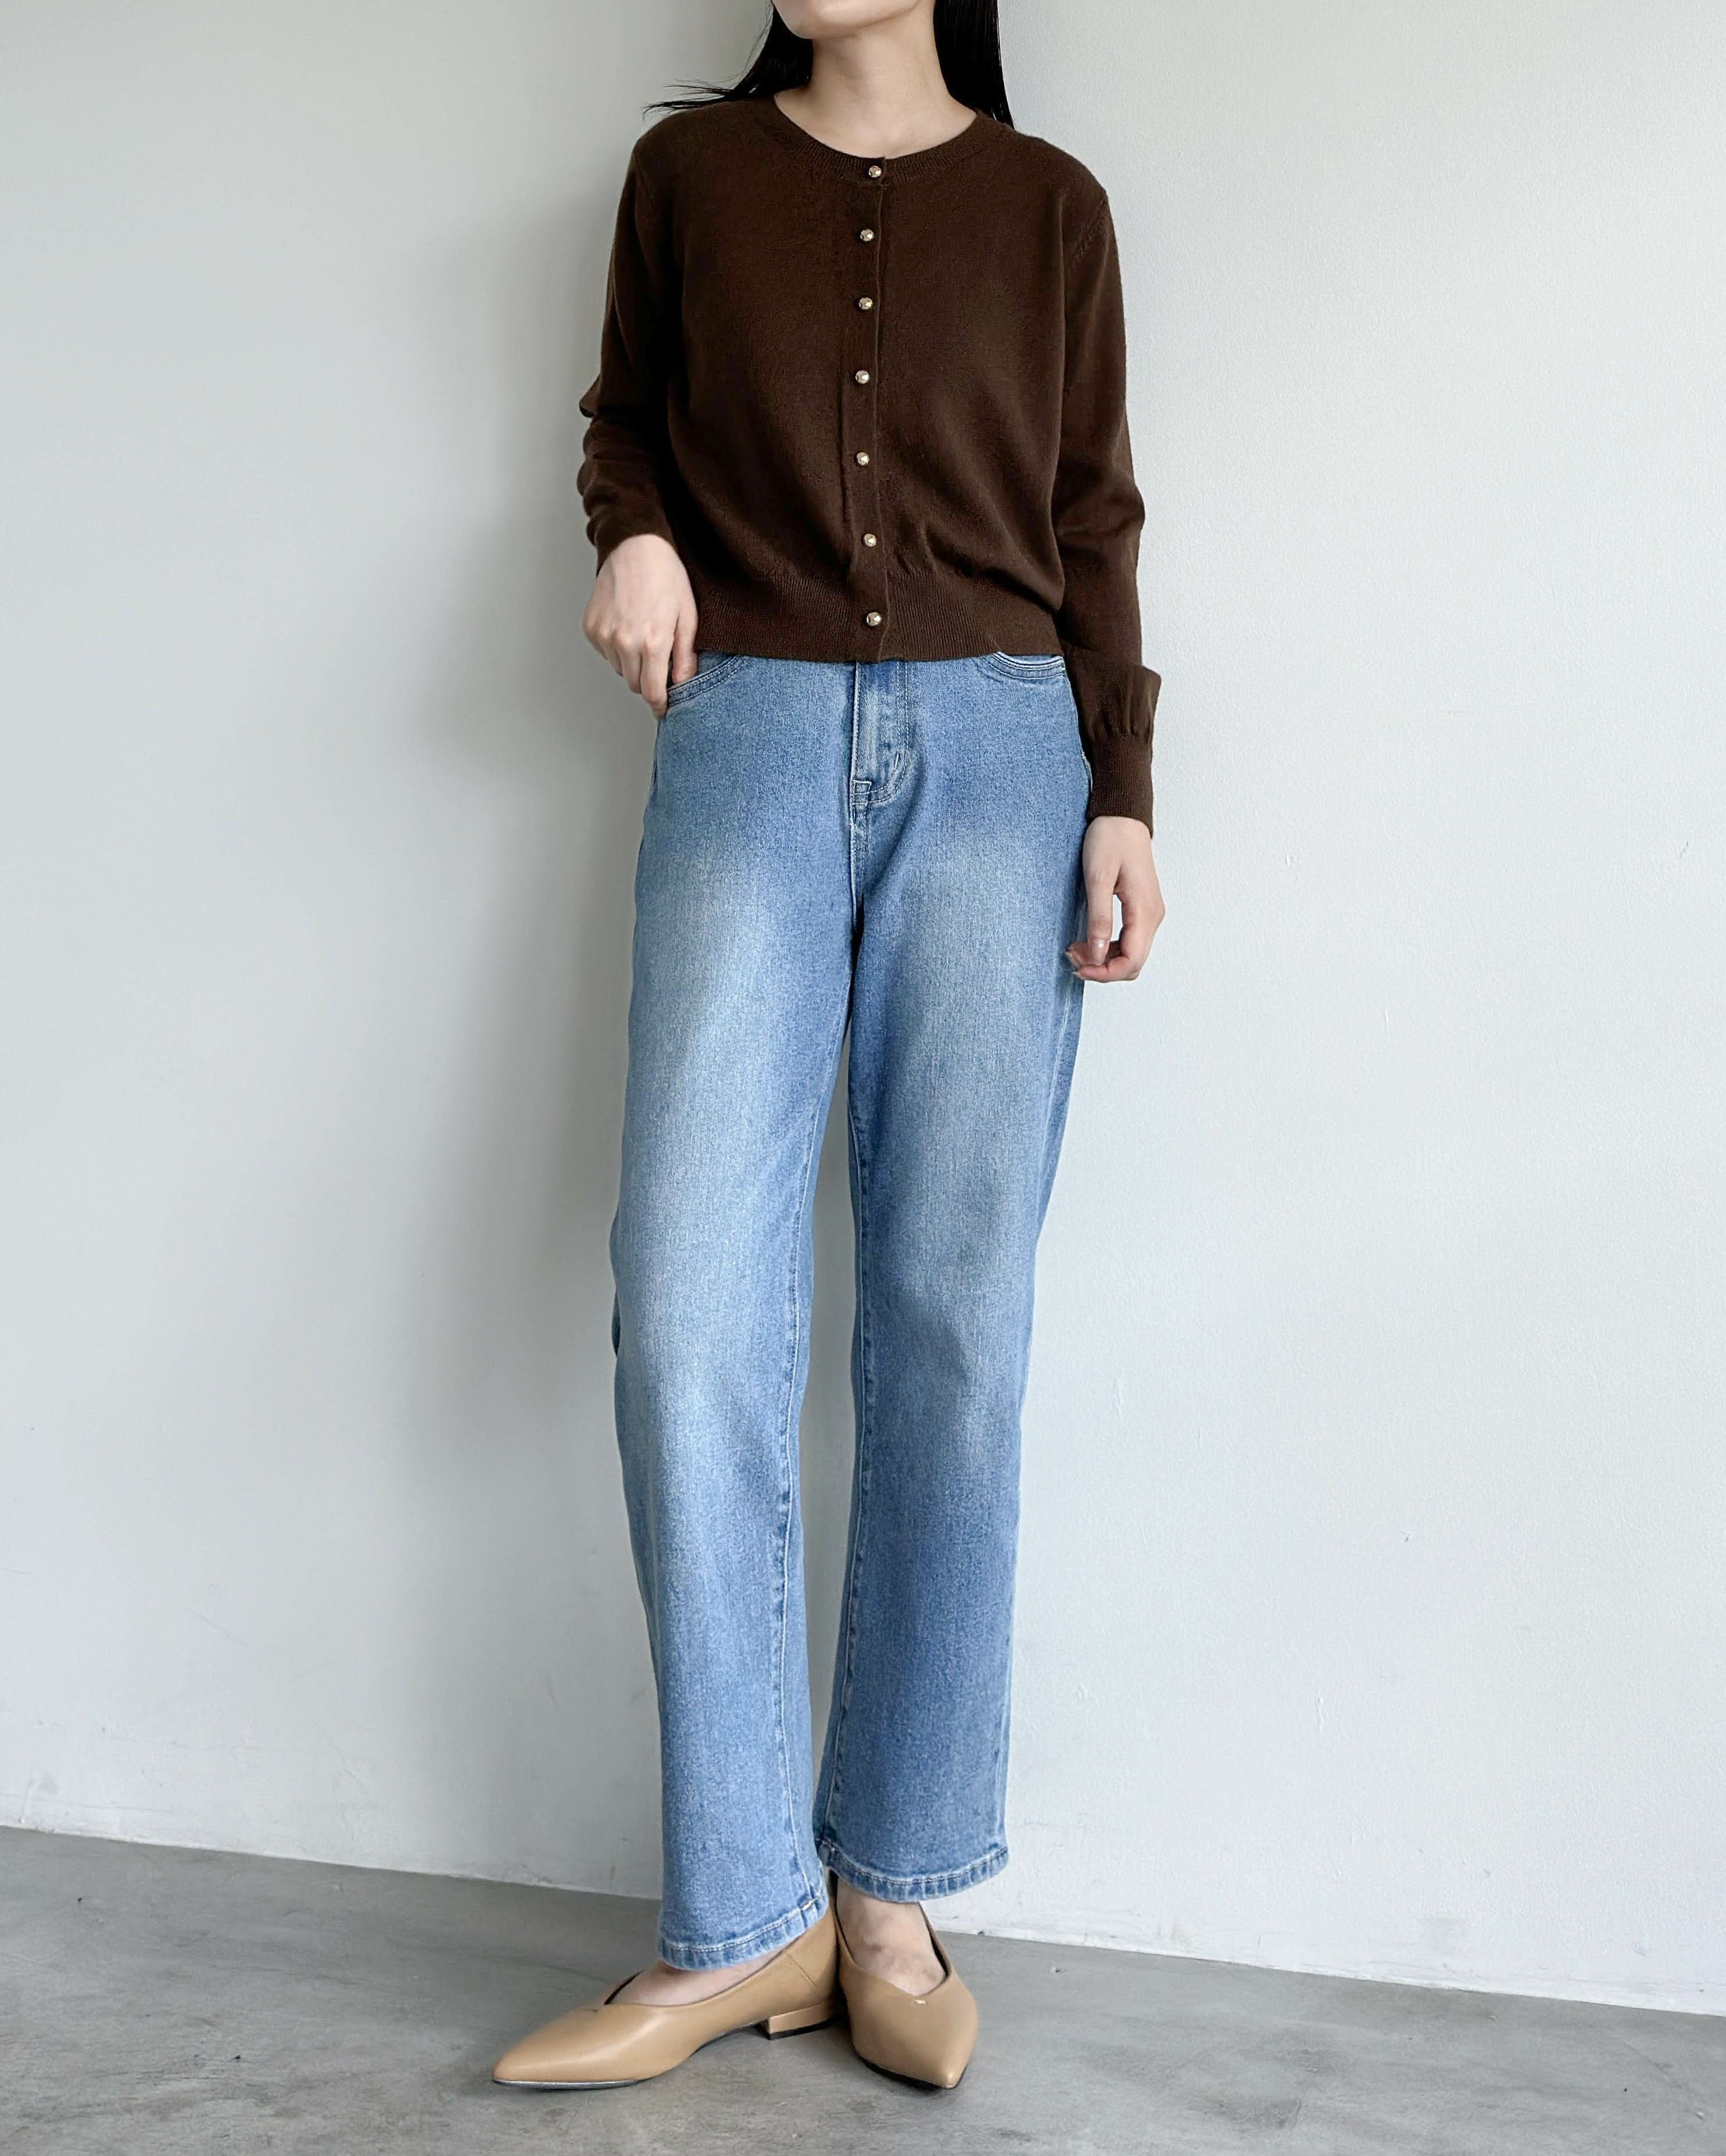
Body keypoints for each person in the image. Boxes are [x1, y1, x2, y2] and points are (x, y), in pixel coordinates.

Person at [493, 0, 1163, 2095]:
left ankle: (891, 1891)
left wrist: (1123, 791)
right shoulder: (690, 177)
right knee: (690, 1315)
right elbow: (624, 420)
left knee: (955, 1319)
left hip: (1004, 755)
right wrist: (629, 529)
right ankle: (742, 1916)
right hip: (751, 739)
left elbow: (1092, 513)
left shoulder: (1049, 207)